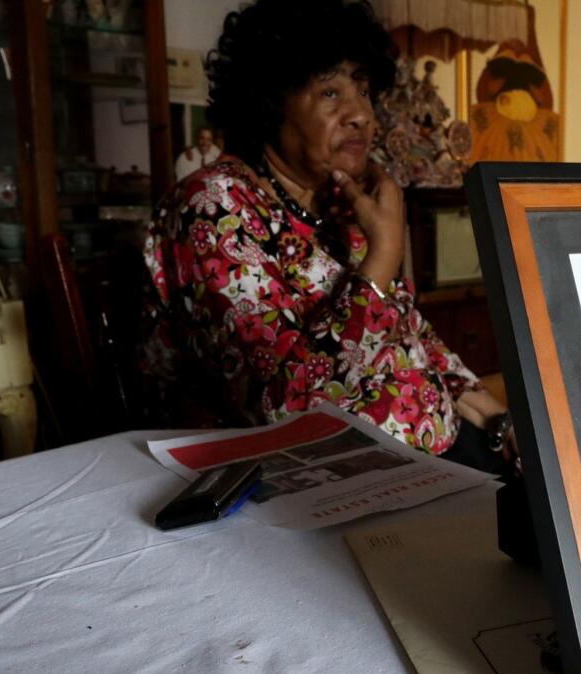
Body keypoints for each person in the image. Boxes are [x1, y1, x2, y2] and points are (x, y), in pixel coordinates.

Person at [138, 0, 513, 474]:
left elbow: (411, 337)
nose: (361, 114)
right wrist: (383, 257)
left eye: (363, 89)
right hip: (318, 485)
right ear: (271, 102)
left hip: (430, 456)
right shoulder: (213, 209)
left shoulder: (338, 202)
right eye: (331, 93)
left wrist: (494, 413)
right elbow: (287, 410)